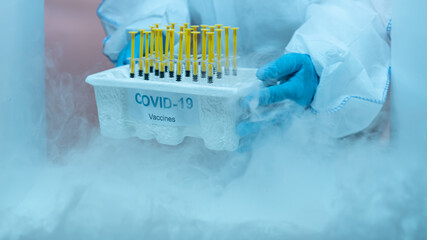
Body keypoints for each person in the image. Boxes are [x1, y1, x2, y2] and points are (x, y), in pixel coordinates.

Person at [97, 0, 391, 138]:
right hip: (195, 128)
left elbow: (365, 6)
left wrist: (324, 59)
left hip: (323, 127)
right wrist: (150, 31)